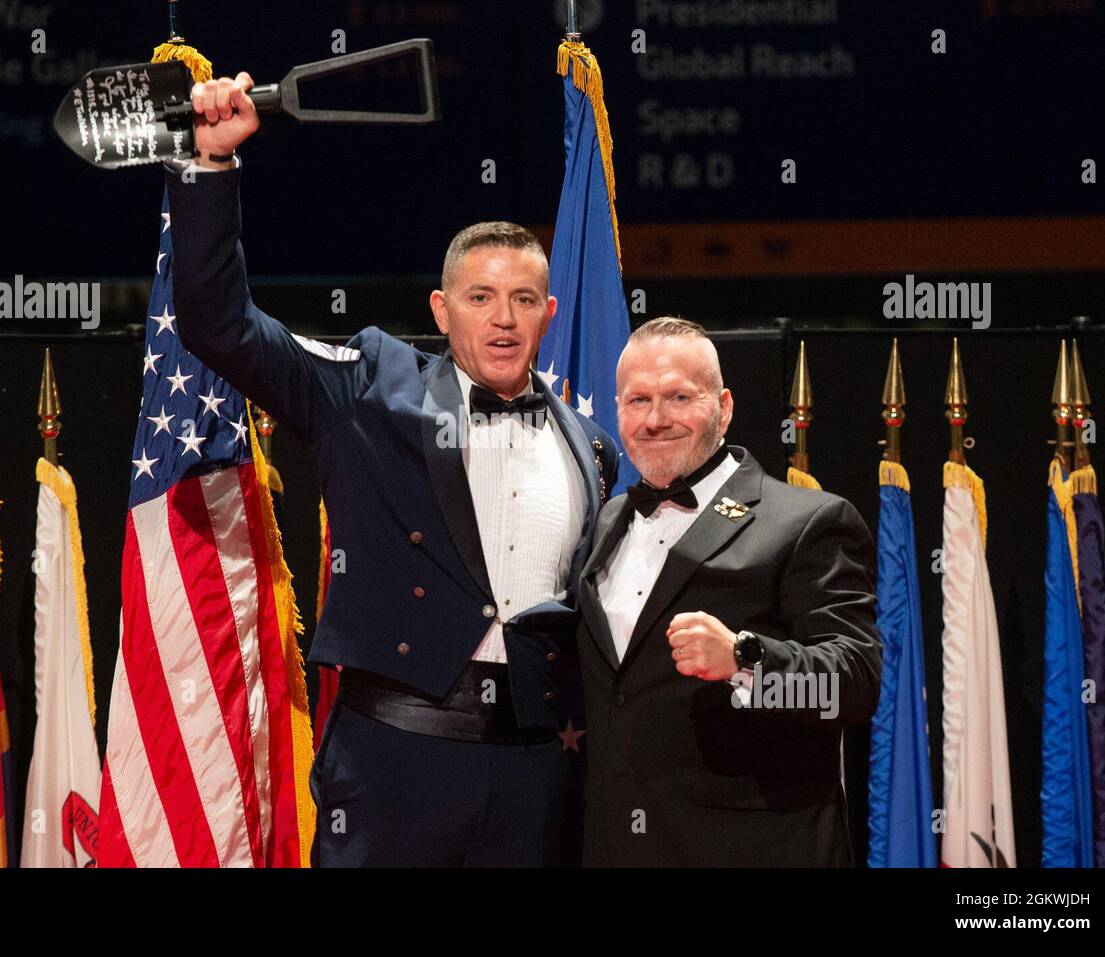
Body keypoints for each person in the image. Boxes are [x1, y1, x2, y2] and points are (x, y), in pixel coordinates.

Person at [166, 72, 620, 866]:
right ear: (442, 312)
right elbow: (221, 325)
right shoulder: (370, 386)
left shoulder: (592, 446)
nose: (503, 318)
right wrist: (210, 167)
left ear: (550, 314)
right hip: (394, 770)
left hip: (537, 775)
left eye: (522, 299)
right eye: (480, 297)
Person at [576, 317, 881, 866]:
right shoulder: (607, 521)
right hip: (616, 847)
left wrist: (745, 659)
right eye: (637, 400)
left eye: (678, 397)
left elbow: (853, 687)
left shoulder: (808, 520)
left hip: (752, 850)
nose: (655, 419)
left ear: (725, 407)